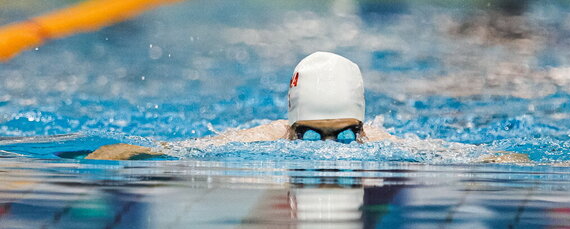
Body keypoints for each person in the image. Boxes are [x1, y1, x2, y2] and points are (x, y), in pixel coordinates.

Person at [86, 51, 394, 160]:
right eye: (312, 136)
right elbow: (182, 149)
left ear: (362, 131)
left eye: (344, 137)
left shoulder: (377, 139)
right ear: (290, 130)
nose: (328, 149)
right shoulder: (267, 136)